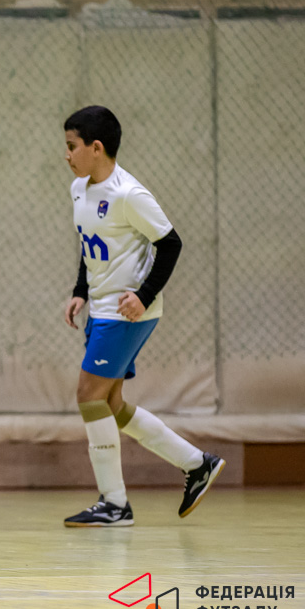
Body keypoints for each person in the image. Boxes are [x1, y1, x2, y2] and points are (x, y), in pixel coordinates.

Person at [61, 105, 225, 527]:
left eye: (72, 146)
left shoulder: (129, 194)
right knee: (111, 404)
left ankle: (114, 504)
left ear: (97, 148)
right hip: (101, 308)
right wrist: (80, 291)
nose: (67, 154)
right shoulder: (79, 188)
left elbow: (170, 244)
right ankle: (198, 464)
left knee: (88, 395)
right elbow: (89, 244)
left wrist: (144, 296)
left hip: (126, 312)